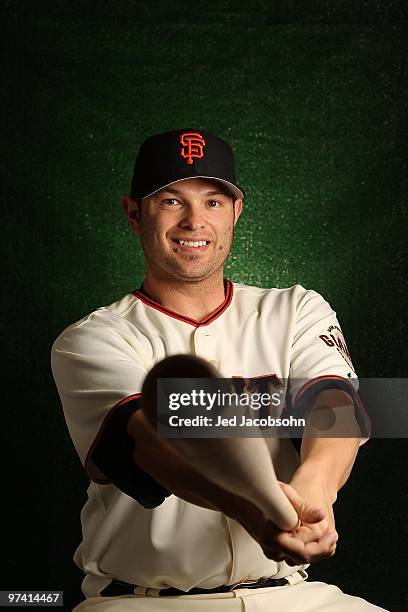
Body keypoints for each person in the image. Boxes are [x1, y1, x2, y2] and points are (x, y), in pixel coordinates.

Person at [51, 129, 386, 611]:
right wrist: (256, 510)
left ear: (235, 213)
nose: (194, 221)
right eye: (170, 200)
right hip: (144, 602)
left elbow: (335, 405)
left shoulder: (297, 310)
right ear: (133, 214)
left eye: (213, 201)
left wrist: (316, 487)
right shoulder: (93, 339)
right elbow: (154, 447)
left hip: (294, 596)